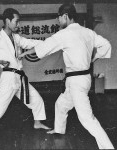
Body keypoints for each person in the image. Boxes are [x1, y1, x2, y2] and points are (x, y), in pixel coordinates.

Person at [18, 3, 114, 149]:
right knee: (61, 105)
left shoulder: (65, 34)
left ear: (65, 16)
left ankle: (108, 148)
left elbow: (44, 46)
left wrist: (24, 53)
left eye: (59, 18)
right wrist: (93, 58)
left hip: (76, 81)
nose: (58, 21)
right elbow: (106, 45)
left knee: (87, 119)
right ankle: (59, 130)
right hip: (79, 79)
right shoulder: (88, 32)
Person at [0, 8, 50, 149]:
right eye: (16, 21)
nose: (18, 24)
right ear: (7, 21)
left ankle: (37, 123)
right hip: (8, 78)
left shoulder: (16, 37)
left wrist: (50, 41)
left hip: (19, 77)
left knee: (36, 99)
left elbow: (30, 42)